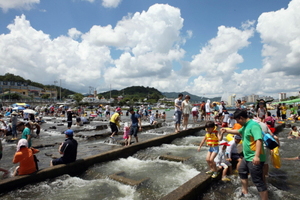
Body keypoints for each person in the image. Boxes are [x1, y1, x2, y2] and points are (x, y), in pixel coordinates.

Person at [221, 109, 268, 199]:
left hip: (254, 157)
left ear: (241, 118)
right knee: (242, 170)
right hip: (247, 157)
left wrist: (257, 156)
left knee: (258, 181)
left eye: (237, 120)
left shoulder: (253, 125)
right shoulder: (246, 126)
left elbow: (259, 140)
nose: (237, 122)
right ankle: (245, 192)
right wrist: (226, 130)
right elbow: (238, 131)